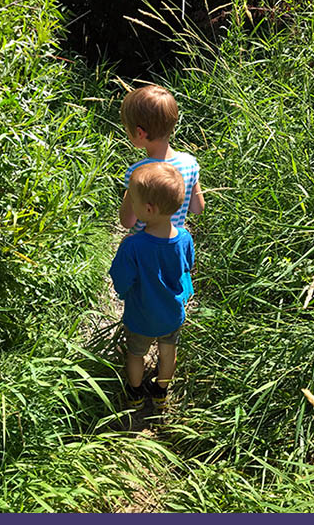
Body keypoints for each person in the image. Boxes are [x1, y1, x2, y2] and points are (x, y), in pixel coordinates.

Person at [109, 162, 195, 412]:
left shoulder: (133, 245)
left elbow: (121, 279)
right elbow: (186, 266)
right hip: (172, 314)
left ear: (147, 209)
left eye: (133, 202)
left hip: (141, 315)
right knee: (168, 353)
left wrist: (124, 293)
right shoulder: (185, 237)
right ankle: (160, 392)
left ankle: (135, 393)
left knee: (136, 353)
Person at [118, 85, 205, 232]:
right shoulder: (190, 164)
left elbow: (127, 222)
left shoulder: (137, 173)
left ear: (140, 133)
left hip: (142, 247)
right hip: (172, 245)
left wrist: (130, 192)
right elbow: (198, 208)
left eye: (126, 128)